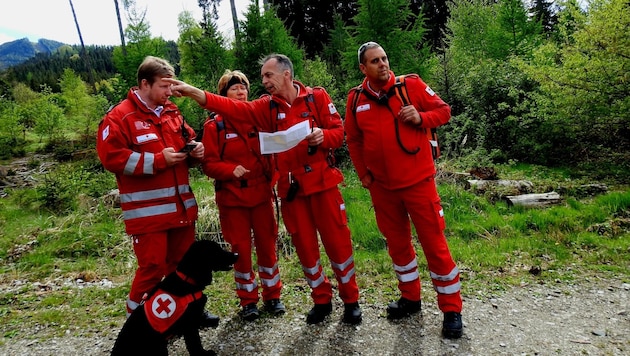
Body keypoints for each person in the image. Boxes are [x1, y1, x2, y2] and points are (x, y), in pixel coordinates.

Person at [166, 54, 362, 325]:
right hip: (291, 190)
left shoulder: (316, 97)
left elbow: (339, 133)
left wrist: (323, 136)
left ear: (286, 74)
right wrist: (196, 94)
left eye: (268, 76)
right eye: (261, 78)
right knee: (306, 249)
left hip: (323, 186)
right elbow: (233, 109)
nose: (263, 82)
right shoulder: (266, 108)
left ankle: (351, 301)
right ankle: (321, 300)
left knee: (338, 246)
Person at [344, 42, 463, 338]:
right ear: (363, 68)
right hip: (382, 189)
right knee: (397, 245)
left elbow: (444, 111)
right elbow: (354, 140)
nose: (382, 64)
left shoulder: (410, 85)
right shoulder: (356, 98)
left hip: (418, 183)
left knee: (434, 244)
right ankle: (410, 298)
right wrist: (364, 177)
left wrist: (421, 118)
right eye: (375, 61)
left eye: (384, 58)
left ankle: (451, 310)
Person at [96, 56, 219, 327]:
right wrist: (157, 161)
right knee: (151, 269)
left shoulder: (172, 112)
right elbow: (112, 158)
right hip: (148, 215)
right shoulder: (120, 117)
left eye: (171, 86)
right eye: (164, 86)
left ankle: (187, 315)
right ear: (144, 84)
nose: (170, 92)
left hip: (181, 209)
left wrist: (196, 149)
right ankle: (137, 326)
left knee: (185, 268)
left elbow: (188, 139)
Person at [200, 70, 284, 321]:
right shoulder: (214, 126)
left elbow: (275, 150)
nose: (241, 92)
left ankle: (273, 296)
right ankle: (248, 301)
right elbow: (207, 163)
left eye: (244, 88)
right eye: (234, 88)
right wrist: (229, 170)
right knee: (241, 250)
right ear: (223, 95)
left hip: (261, 195)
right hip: (232, 198)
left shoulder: (260, 119)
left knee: (268, 246)